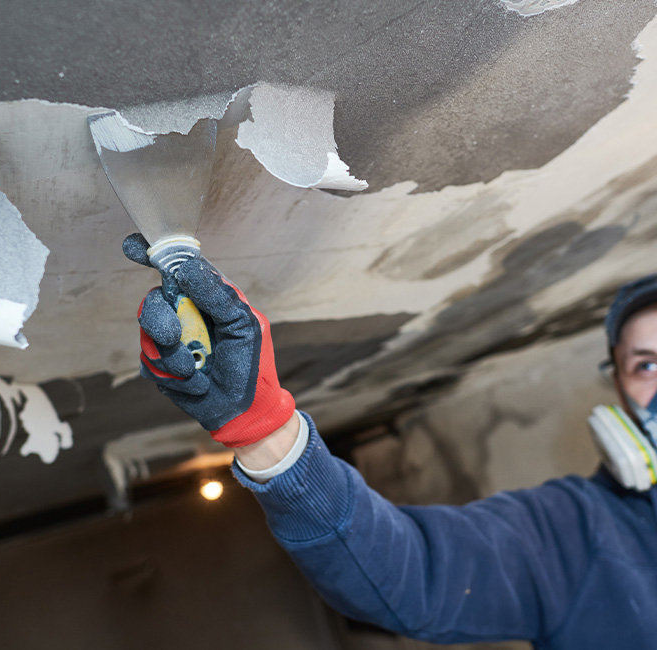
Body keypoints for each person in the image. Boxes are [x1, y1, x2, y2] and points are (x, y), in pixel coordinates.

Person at [123, 233, 657, 650]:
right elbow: (414, 575)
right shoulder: (577, 534)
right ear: (617, 387)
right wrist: (262, 433)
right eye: (646, 364)